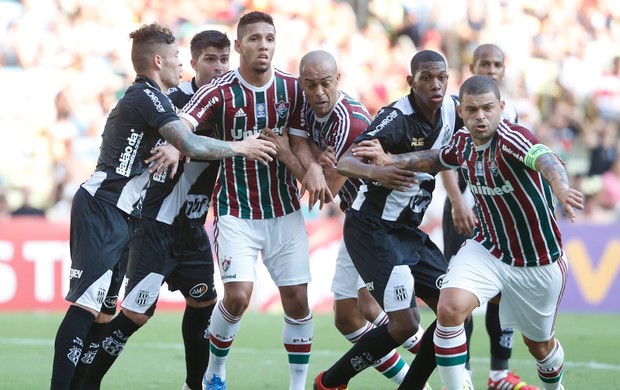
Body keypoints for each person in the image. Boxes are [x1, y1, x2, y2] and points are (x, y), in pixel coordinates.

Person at [49, 22, 276, 390]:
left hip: (133, 217)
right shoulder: (152, 96)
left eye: (224, 60)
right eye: (177, 58)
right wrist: (236, 146)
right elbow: (188, 143)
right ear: (161, 60)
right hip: (110, 209)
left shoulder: (159, 99)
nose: (182, 67)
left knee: (106, 314)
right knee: (91, 309)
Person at [353, 75, 583, 390]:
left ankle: (555, 386)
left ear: (501, 107)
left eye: (488, 108)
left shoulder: (512, 138)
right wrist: (391, 159)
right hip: (487, 249)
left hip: (537, 261)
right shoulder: (463, 143)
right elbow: (435, 158)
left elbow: (545, 159)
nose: (480, 117)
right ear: (461, 111)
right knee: (449, 309)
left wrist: (561, 186)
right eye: (472, 110)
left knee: (540, 347)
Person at [177, 11, 332, 390]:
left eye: (269, 38)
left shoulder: (294, 89)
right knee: (238, 296)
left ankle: (297, 385)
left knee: (297, 300)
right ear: (239, 45)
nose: (263, 45)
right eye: (254, 39)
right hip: (236, 211)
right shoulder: (219, 90)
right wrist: (173, 141)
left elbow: (300, 140)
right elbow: (184, 123)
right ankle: (215, 370)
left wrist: (313, 167)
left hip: (284, 211)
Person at [77, 30, 232, 390]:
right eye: (211, 59)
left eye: (225, 60)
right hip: (155, 225)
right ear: (193, 64)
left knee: (204, 302)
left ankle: (196, 385)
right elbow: (170, 135)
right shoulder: (173, 98)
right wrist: (180, 145)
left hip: (193, 228)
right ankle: (86, 383)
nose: (219, 67)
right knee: (134, 315)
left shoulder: (231, 106)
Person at [315, 49, 466, 390]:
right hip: (373, 228)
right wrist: (377, 173)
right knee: (405, 323)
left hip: (407, 232)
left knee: (453, 310)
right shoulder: (397, 117)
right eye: (426, 78)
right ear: (411, 82)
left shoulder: (455, 110)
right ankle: (330, 382)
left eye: (441, 77)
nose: (435, 84)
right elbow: (346, 163)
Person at [297, 49, 424, 386]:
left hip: (377, 221)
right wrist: (312, 161)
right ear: (303, 84)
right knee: (350, 317)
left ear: (338, 80)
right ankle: (421, 379)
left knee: (373, 313)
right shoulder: (308, 108)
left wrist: (301, 159)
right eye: (311, 85)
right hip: (360, 221)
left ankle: (451, 369)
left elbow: (324, 190)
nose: (319, 92)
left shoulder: (350, 121)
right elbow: (302, 145)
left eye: (326, 83)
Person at [442, 43, 539, 390]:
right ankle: (462, 371)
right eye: (485, 63)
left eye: (497, 64)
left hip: (498, 210)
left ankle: (499, 374)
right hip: (465, 207)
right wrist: (457, 202)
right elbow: (446, 158)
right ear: (472, 66)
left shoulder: (506, 108)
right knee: (457, 291)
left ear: (504, 68)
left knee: (505, 292)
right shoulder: (456, 107)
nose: (491, 69)